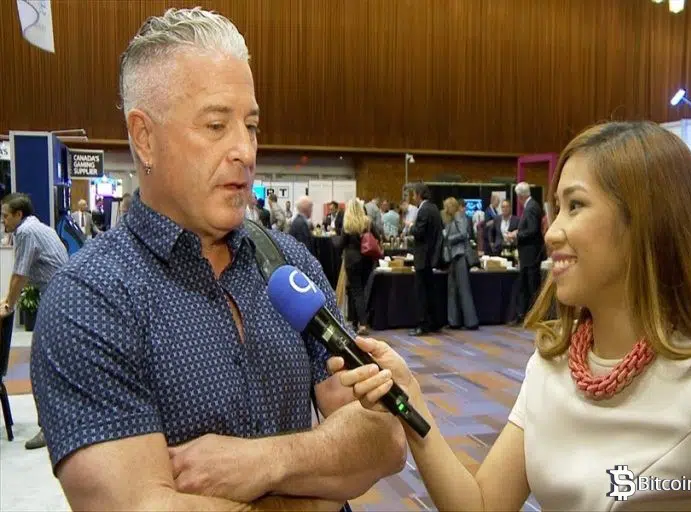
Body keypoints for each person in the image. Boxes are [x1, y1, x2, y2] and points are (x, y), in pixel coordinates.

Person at [29, 8, 405, 511]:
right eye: (215, 125)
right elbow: (141, 506)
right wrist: (316, 493)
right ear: (144, 138)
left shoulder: (289, 265)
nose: (245, 150)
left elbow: (385, 438)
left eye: (251, 125)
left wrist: (264, 462)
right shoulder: (89, 298)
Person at [329, 122, 691, 511]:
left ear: (645, 225)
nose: (553, 232)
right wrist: (409, 400)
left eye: (576, 206)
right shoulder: (551, 365)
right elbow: (482, 505)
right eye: (557, 208)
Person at [0, 192, 69, 450]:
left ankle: (48, 429)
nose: (3, 220)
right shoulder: (36, 227)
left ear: (18, 215)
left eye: (5, 216)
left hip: (56, 299)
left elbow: (20, 274)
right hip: (59, 296)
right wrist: (9, 299)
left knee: (41, 366)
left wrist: (9, 305)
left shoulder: (26, 232)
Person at [409, 183, 443, 336]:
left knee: (421, 292)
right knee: (430, 291)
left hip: (422, 257)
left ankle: (422, 325)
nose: (413, 198)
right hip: (432, 256)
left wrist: (410, 227)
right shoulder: (435, 208)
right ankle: (434, 322)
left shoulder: (423, 210)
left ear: (419, 194)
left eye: (413, 195)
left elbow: (419, 232)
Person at [341, 199, 379, 336]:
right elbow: (378, 236)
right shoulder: (367, 222)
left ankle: (362, 324)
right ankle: (355, 322)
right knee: (360, 290)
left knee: (356, 292)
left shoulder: (347, 224)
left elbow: (341, 244)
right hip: (367, 259)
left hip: (352, 260)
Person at [509, 182, 544, 323]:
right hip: (528, 254)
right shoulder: (532, 206)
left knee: (531, 286)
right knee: (527, 285)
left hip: (530, 254)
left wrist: (516, 235)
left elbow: (532, 230)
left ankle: (534, 316)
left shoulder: (530, 208)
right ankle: (525, 315)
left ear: (520, 196)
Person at [442, 197, 478, 330]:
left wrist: (449, 239)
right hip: (453, 257)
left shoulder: (459, 217)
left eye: (446, 207)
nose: (445, 210)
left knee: (464, 289)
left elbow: (464, 234)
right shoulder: (450, 219)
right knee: (452, 289)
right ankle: (453, 321)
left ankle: (471, 322)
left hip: (460, 255)